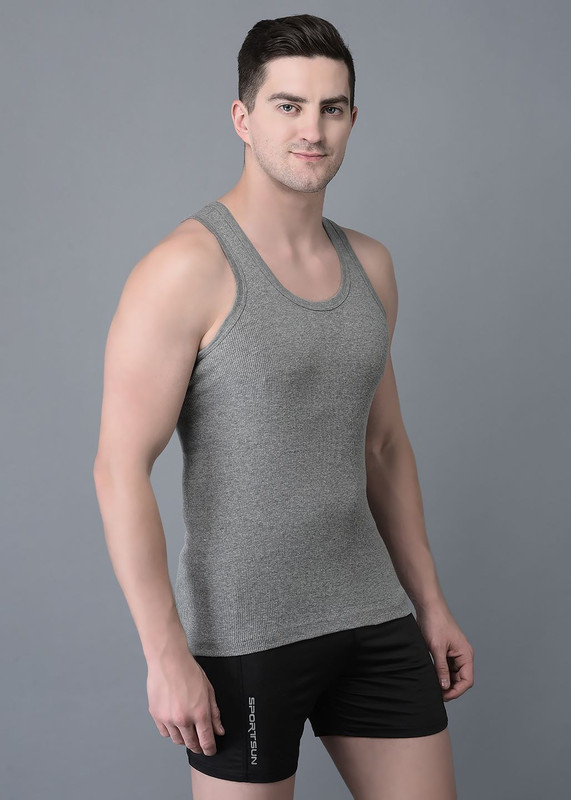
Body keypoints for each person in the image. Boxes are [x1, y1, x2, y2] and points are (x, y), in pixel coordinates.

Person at [93, 13, 473, 800]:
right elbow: (118, 467)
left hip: (370, 612)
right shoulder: (186, 268)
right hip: (247, 637)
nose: (312, 130)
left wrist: (430, 604)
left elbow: (383, 447)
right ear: (243, 117)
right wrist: (165, 653)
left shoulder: (371, 265)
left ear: (353, 120)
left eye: (331, 108)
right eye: (289, 105)